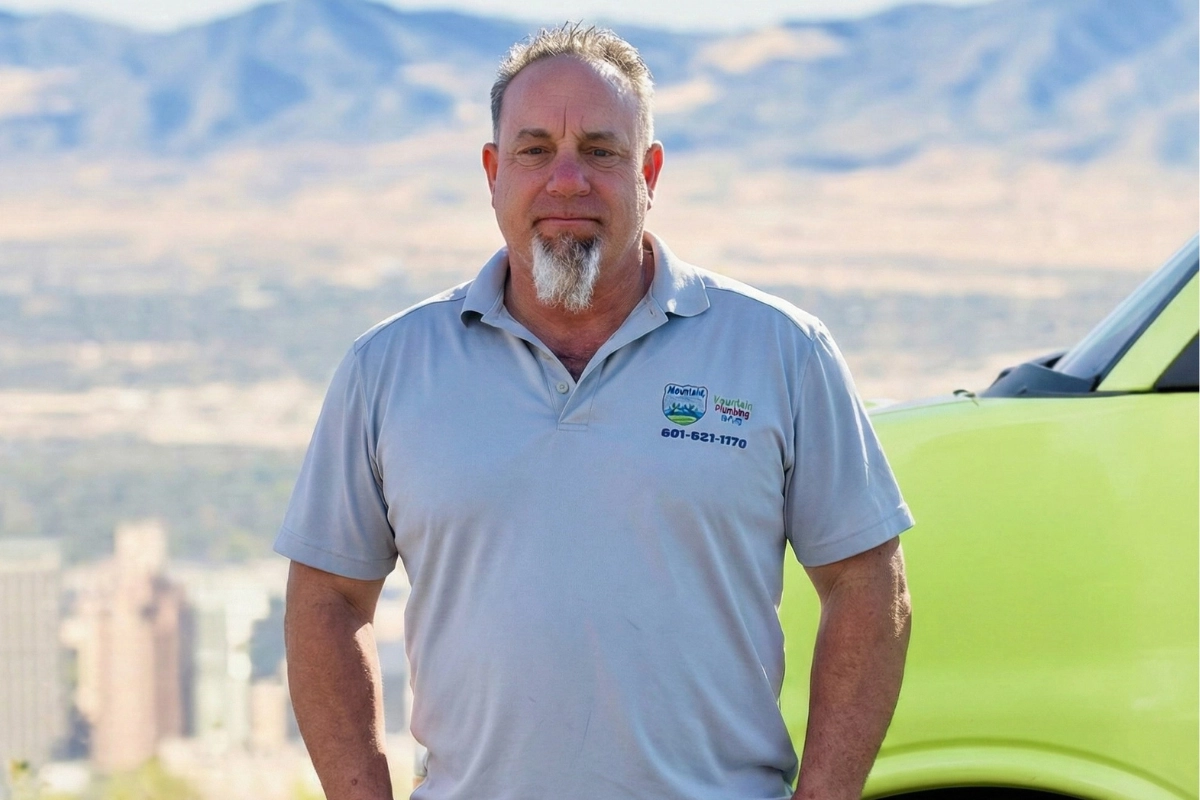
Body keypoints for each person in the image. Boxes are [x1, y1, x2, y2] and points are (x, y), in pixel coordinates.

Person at [276, 23, 913, 800]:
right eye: (535, 149)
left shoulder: (782, 352)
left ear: (649, 172)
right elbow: (326, 600)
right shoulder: (387, 370)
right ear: (492, 171)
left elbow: (867, 583)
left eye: (602, 152)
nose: (567, 182)